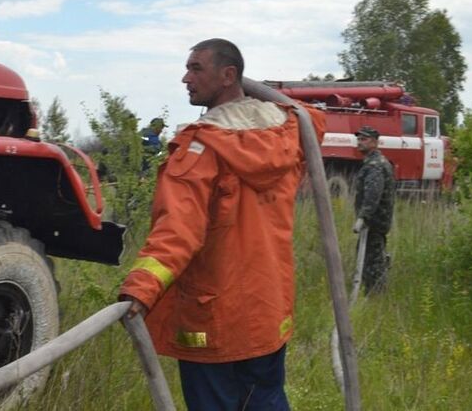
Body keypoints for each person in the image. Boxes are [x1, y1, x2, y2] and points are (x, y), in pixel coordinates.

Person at [118, 38, 324, 410]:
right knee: (266, 400)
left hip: (214, 319)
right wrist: (259, 94)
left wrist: (142, 287)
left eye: (196, 68)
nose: (185, 77)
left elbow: (178, 231)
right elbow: (313, 117)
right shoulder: (288, 132)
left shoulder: (201, 149)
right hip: (266, 311)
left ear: (228, 75)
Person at [351, 126, 395, 295]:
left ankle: (375, 296)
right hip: (376, 222)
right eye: (359, 139)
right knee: (373, 257)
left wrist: (363, 217)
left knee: (372, 261)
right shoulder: (375, 163)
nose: (360, 142)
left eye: (364, 139)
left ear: (375, 142)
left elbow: (372, 194)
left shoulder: (375, 165)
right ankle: (373, 293)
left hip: (374, 223)